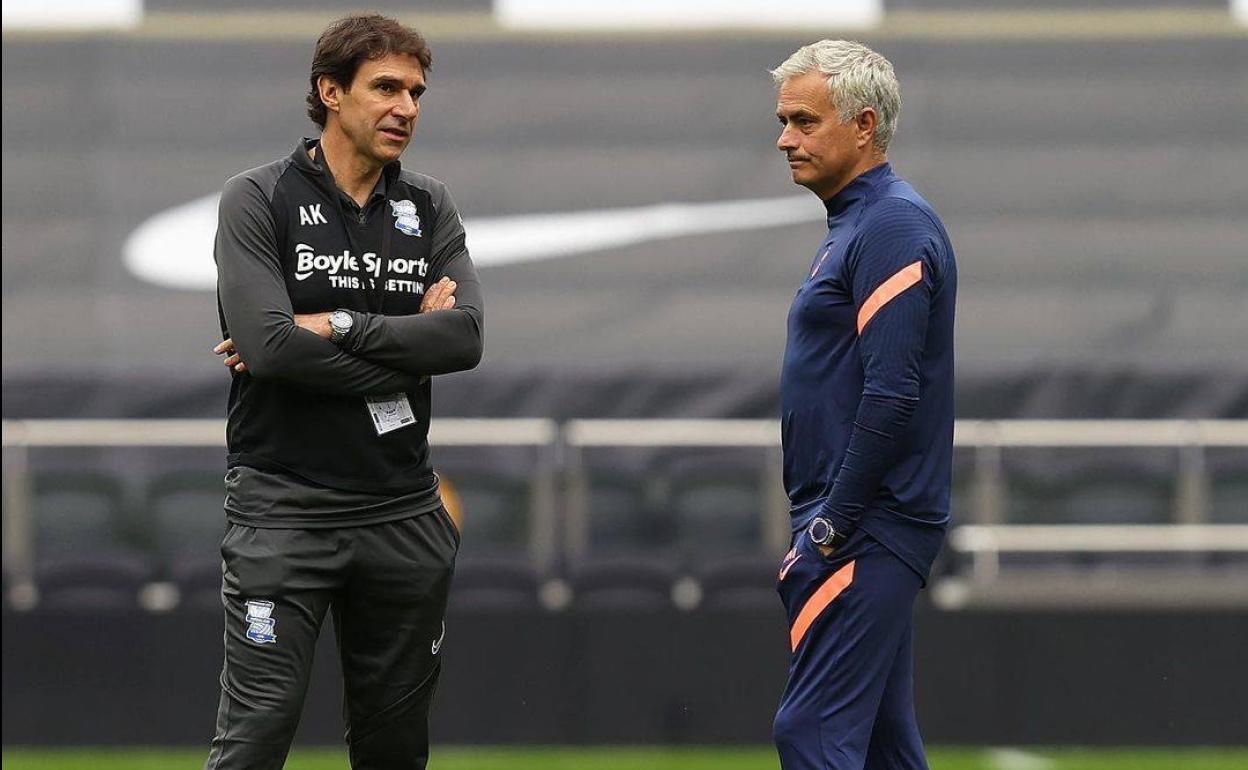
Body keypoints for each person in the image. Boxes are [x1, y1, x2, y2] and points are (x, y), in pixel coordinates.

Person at [206, 14, 483, 769]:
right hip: (283, 512)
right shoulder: (256, 197)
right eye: (386, 88)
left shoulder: (428, 204)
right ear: (331, 91)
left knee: (395, 746)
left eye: (417, 92)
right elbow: (267, 349)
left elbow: (464, 338)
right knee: (257, 735)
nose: (407, 108)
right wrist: (406, 355)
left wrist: (333, 324)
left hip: (402, 513)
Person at [769, 40, 956, 770]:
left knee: (811, 732)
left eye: (805, 121)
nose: (786, 138)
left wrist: (830, 527)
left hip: (865, 526)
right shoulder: (860, 224)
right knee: (883, 746)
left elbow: (892, 391)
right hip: (863, 523)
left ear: (865, 124)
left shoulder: (892, 226)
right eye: (784, 120)